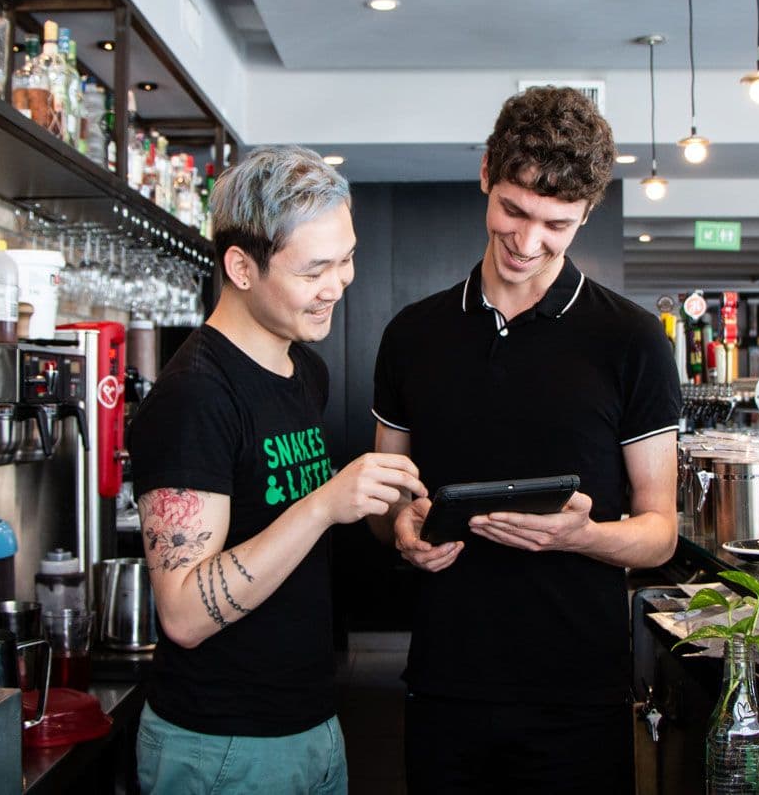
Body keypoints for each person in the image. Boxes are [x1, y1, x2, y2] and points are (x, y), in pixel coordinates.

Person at [371, 87, 682, 793]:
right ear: (486, 172)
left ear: (586, 214)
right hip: (445, 682)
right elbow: (378, 500)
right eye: (513, 210)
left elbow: (659, 531)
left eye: (557, 224)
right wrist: (398, 526)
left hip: (578, 693)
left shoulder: (630, 340)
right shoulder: (412, 335)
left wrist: (583, 538)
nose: (527, 241)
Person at [129, 146, 427, 795]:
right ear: (241, 266)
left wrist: (389, 513)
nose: (339, 283)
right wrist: (322, 503)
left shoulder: (302, 370)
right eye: (315, 268)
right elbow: (182, 613)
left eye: (346, 258)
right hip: (221, 744)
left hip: (308, 720)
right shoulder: (194, 397)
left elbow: (276, 523)